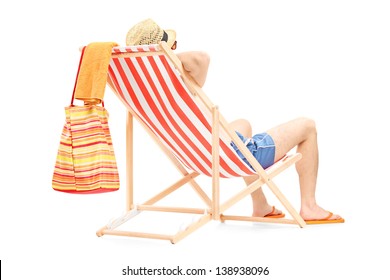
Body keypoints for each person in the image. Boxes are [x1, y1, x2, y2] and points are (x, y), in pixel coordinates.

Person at [126, 19, 344, 224]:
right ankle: (309, 206)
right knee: (307, 125)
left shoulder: (143, 90)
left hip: (199, 158)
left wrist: (158, 60)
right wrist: (165, 58)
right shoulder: (175, 74)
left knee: (243, 124)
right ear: (167, 49)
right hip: (232, 156)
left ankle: (260, 204)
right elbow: (202, 57)